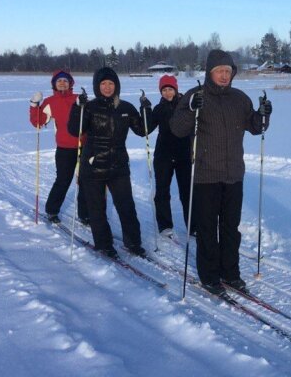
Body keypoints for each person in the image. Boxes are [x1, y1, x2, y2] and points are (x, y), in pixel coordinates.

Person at [170, 49, 272, 296]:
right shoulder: (197, 96)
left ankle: (230, 273)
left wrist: (263, 114)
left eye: (228, 71)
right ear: (210, 72)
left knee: (230, 228)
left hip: (234, 173)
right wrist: (190, 109)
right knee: (207, 229)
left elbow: (255, 127)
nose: (225, 75)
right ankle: (209, 276)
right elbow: (177, 128)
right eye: (220, 71)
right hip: (206, 174)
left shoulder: (240, 98)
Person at [67, 66, 147, 259]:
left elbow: (142, 130)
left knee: (126, 206)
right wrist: (78, 107)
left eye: (111, 83)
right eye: (103, 83)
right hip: (93, 165)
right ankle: (104, 245)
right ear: (97, 86)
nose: (108, 87)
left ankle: (133, 242)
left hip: (118, 165)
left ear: (116, 85)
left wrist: (147, 110)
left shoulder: (126, 107)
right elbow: (74, 130)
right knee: (97, 209)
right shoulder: (90, 107)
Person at [29, 69, 88, 224]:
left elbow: (91, 119)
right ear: (54, 84)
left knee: (85, 181)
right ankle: (52, 210)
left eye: (65, 81)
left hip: (84, 146)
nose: (62, 83)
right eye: (59, 81)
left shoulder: (78, 98)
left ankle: (85, 214)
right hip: (64, 148)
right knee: (63, 180)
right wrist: (35, 105)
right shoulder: (50, 102)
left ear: (70, 83)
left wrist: (84, 104)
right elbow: (38, 122)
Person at [139, 75, 193, 239]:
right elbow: (145, 130)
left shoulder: (186, 106)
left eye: (170, 89)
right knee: (162, 191)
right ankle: (165, 225)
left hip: (184, 154)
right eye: (164, 90)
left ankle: (194, 225)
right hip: (163, 155)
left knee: (188, 192)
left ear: (176, 90)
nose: (167, 93)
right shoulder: (158, 108)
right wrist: (145, 109)